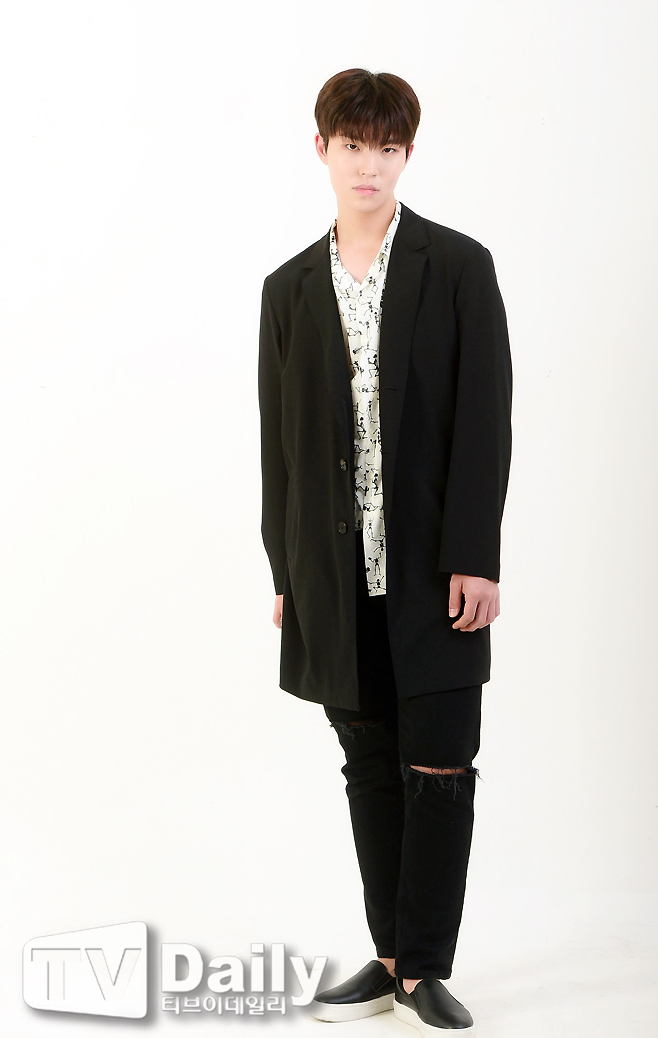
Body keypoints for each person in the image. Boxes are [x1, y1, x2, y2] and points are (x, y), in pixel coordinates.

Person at [258, 68, 512, 1036]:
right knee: (367, 760)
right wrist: (286, 573)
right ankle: (393, 957)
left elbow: (485, 420)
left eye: (388, 148)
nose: (369, 165)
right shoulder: (287, 289)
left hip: (434, 568)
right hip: (333, 571)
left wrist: (475, 556)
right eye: (353, 146)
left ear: (409, 153)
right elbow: (278, 447)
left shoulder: (458, 266)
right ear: (322, 149)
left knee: (440, 761)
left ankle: (427, 964)